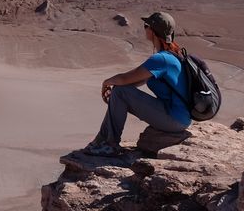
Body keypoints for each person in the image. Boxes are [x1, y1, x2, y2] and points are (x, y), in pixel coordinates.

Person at [82, 11, 191, 157]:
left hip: (174, 120)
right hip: (178, 117)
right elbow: (138, 80)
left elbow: (125, 79)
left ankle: (110, 145)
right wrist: (116, 95)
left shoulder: (162, 59)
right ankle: (101, 140)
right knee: (120, 92)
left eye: (146, 25)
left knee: (120, 91)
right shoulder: (173, 54)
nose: (144, 28)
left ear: (152, 31)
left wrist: (106, 83)